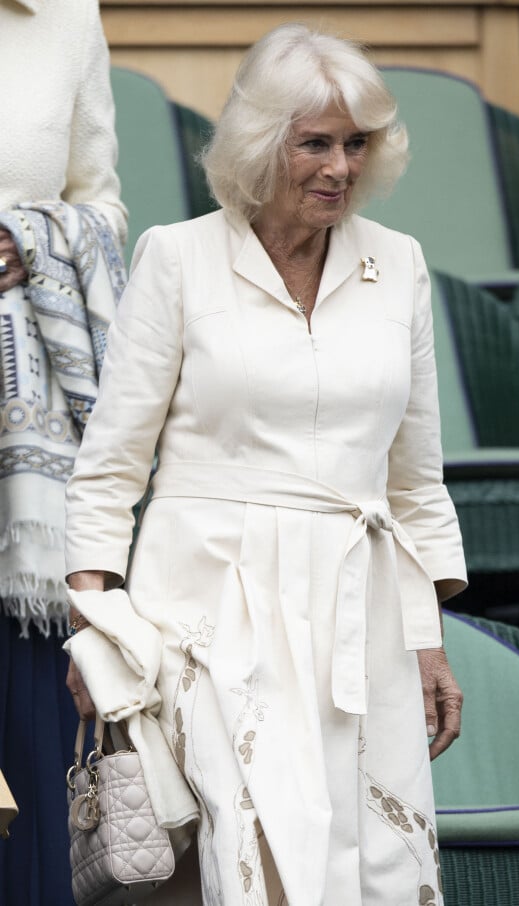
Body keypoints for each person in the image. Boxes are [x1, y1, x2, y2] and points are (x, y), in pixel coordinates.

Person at [64, 22, 467, 906]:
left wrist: (428, 644)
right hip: (205, 611)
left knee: (366, 871)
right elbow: (109, 471)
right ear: (259, 141)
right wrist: (97, 631)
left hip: (358, 614)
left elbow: (414, 479)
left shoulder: (399, 264)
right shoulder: (177, 257)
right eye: (314, 143)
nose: (340, 167)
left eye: (356, 144)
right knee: (240, 861)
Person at [0, 1, 127, 903]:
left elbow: (104, 207)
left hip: (23, 447)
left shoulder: (68, 15)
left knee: (29, 729)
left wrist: (29, 240)